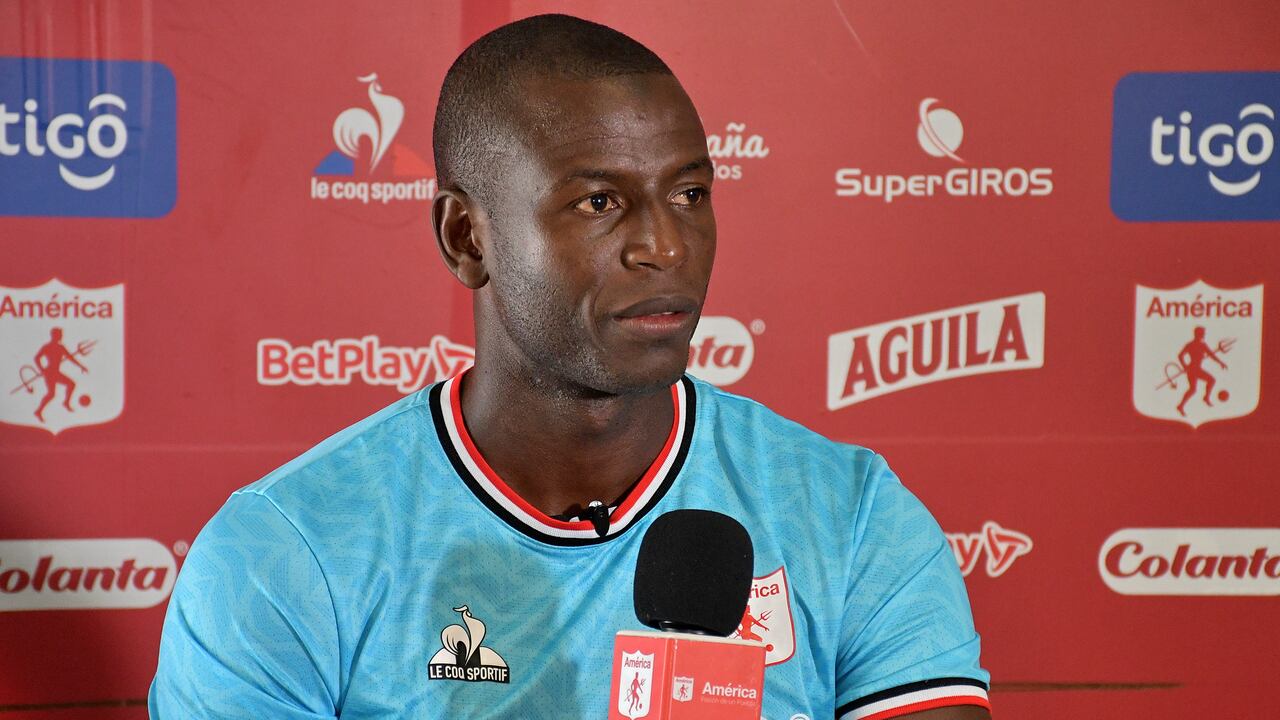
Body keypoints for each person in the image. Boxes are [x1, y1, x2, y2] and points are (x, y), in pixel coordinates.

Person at [149, 14, 990, 719]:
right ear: (466, 237)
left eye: (690, 194)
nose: (665, 246)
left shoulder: (850, 516)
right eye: (600, 202)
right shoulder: (282, 555)